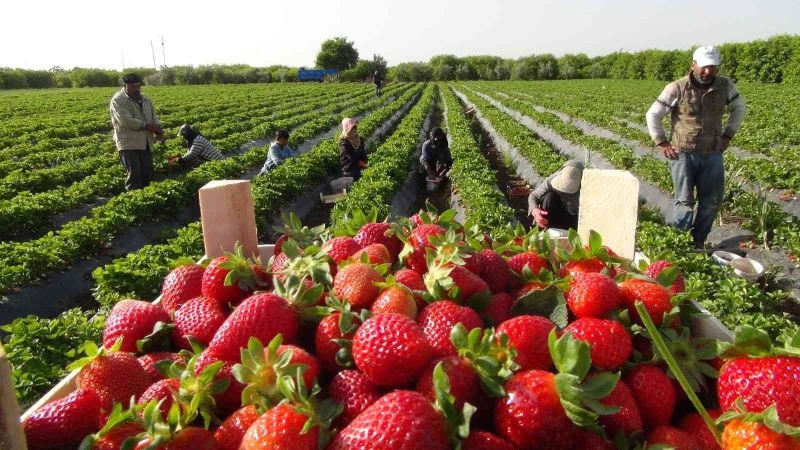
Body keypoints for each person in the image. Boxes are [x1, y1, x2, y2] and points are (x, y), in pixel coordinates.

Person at [646, 45, 746, 248]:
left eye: (713, 67)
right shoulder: (677, 87)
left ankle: (698, 241)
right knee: (684, 202)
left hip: (712, 154)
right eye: (704, 66)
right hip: (683, 154)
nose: (708, 71)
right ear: (693, 65)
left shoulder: (725, 86)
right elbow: (653, 114)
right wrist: (662, 142)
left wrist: (727, 135)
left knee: (711, 202)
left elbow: (739, 108)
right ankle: (680, 243)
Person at [109, 73, 164, 190]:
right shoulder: (118, 100)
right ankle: (134, 197)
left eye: (138, 86)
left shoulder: (145, 99)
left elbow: (153, 116)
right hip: (128, 143)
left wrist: (158, 127)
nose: (137, 89)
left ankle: (148, 197)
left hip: (146, 142)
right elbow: (125, 120)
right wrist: (146, 126)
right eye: (133, 87)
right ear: (125, 86)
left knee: (148, 173)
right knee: (135, 174)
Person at [528, 160, 585, 230]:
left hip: (575, 218)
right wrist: (535, 211)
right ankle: (544, 229)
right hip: (557, 213)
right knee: (549, 197)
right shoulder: (553, 179)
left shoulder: (588, 185)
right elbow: (534, 195)